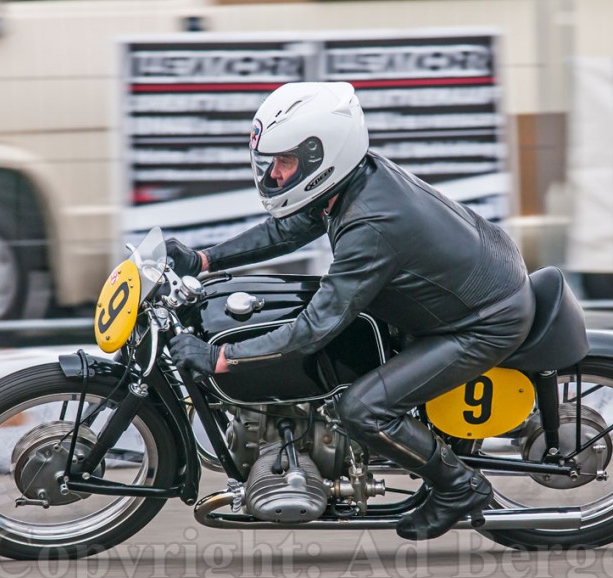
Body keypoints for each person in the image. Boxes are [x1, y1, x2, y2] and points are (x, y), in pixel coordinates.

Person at [166, 81, 535, 540]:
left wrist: (222, 359)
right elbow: (291, 227)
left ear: (325, 155)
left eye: (285, 162)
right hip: (462, 288)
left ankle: (459, 487)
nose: (276, 175)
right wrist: (205, 260)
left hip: (480, 322)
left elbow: (312, 329)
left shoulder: (370, 224)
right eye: (272, 162)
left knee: (361, 409)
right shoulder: (354, 180)